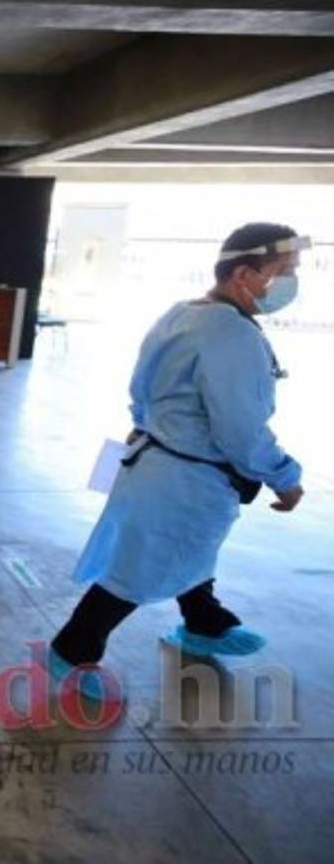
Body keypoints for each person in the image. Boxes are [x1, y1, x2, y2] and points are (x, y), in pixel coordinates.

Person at [48, 222, 307, 700]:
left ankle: (204, 623)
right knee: (135, 572)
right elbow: (241, 431)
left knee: (191, 554)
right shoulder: (231, 335)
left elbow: (141, 393)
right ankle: (73, 649)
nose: (291, 282)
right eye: (282, 271)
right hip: (185, 477)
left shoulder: (183, 313)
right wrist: (285, 478)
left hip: (157, 461)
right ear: (244, 274)